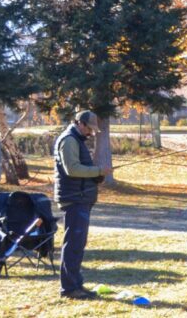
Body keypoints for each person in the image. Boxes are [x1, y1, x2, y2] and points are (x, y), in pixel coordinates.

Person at [54, 111, 112, 299]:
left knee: (78, 244)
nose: (91, 133)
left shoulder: (76, 139)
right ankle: (69, 288)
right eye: (89, 128)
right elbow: (72, 169)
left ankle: (76, 284)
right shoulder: (69, 140)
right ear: (80, 123)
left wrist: (97, 176)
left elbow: (80, 169)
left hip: (81, 197)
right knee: (73, 244)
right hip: (74, 198)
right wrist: (97, 170)